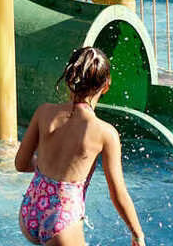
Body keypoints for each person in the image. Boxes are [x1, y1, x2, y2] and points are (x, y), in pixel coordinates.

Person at [13, 46, 147, 246]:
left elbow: (21, 164)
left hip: (30, 210)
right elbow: (117, 193)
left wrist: (47, 167)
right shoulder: (105, 133)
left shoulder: (44, 112)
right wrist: (137, 234)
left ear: (69, 79)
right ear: (107, 85)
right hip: (62, 220)